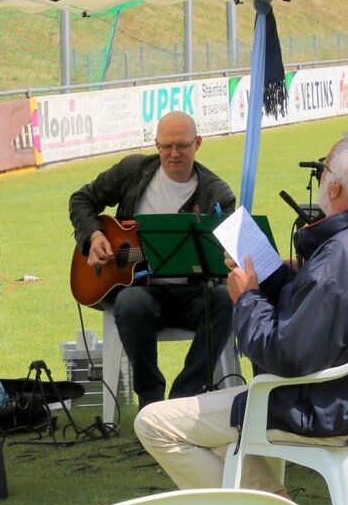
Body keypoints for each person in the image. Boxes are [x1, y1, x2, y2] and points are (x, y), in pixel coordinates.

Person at [135, 131, 348, 493]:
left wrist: (246, 298)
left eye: (323, 170)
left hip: (318, 406)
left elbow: (286, 355)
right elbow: (317, 308)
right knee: (219, 435)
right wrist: (271, 275)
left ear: (334, 189)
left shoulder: (342, 257)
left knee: (152, 423)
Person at [68, 111, 235, 409]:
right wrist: (94, 237)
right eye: (166, 146)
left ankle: (184, 397)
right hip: (143, 293)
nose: (173, 154)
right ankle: (151, 400)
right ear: (156, 144)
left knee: (225, 300)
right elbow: (81, 199)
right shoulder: (133, 171)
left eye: (182, 146)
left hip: (194, 294)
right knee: (131, 302)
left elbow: (226, 258)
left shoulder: (217, 193)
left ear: (198, 143)